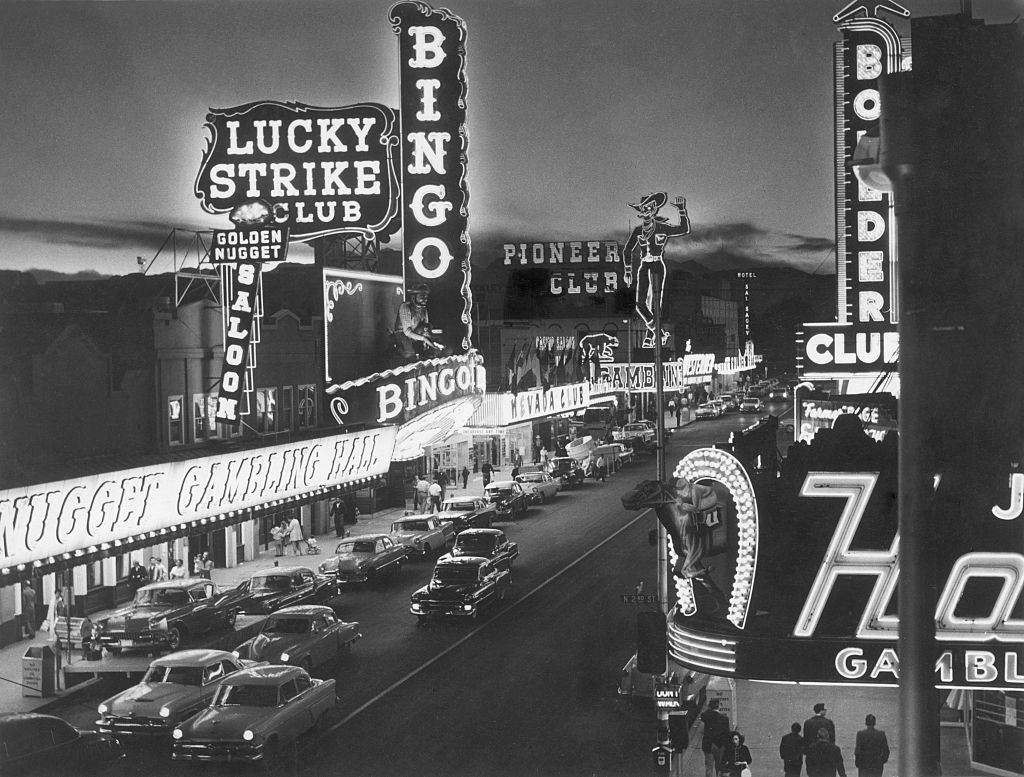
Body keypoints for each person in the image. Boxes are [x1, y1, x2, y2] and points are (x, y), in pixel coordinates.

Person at [623, 192, 691, 348]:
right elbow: (627, 250)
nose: (647, 210)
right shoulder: (638, 230)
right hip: (643, 266)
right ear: (641, 210)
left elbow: (684, 229)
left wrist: (681, 210)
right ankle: (658, 333)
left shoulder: (662, 228)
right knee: (640, 304)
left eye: (650, 207)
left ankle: (650, 338)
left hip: (657, 265)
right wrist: (628, 270)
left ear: (654, 209)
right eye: (644, 207)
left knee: (655, 303)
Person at [392, 282, 445, 362]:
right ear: (413, 297)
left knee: (430, 351)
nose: (425, 299)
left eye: (426, 297)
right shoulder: (405, 307)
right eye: (422, 296)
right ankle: (397, 352)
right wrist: (424, 338)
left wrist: (431, 339)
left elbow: (426, 326)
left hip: (416, 332)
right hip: (402, 333)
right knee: (409, 353)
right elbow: (407, 331)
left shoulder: (423, 309)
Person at [700, 698, 730, 777]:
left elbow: (703, 715)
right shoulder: (724, 719)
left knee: (709, 767)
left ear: (710, 706)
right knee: (719, 767)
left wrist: (709, 708)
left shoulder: (706, 716)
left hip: (708, 745)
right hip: (719, 745)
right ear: (719, 706)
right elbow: (727, 734)